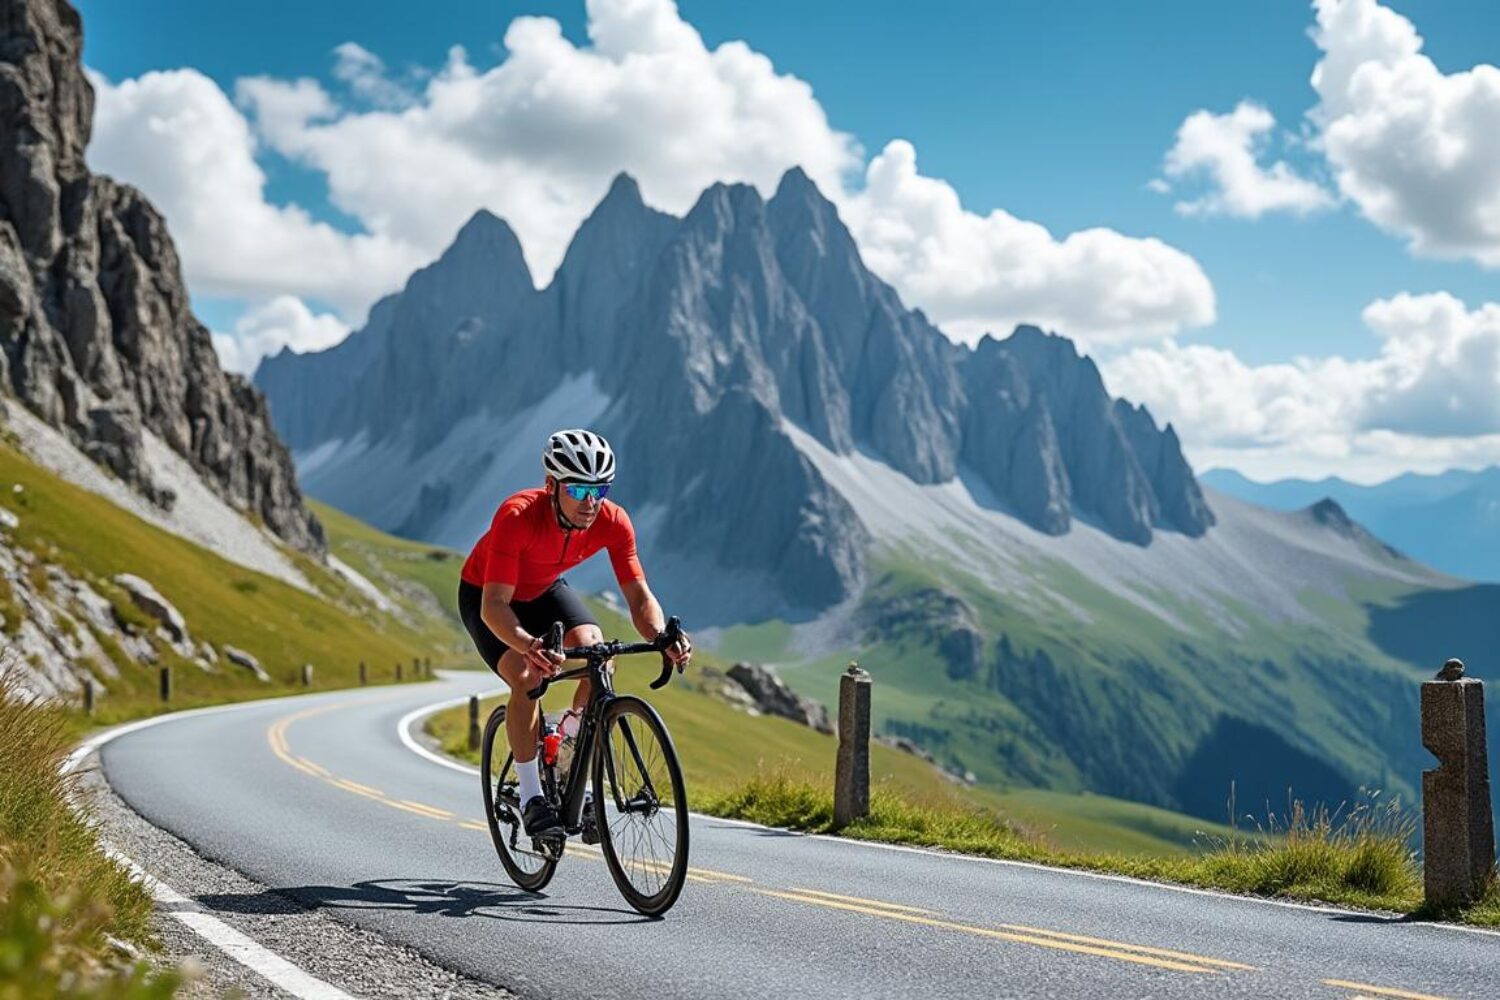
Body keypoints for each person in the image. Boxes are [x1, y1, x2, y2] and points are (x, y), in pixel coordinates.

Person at [458, 429, 691, 840]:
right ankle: (531, 797)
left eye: (599, 489)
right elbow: (494, 606)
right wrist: (530, 646)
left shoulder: (612, 520)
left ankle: (567, 746)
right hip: (490, 597)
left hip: (545, 588)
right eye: (579, 488)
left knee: (597, 653)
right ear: (552, 486)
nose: (590, 502)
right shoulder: (517, 516)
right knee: (527, 677)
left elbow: (639, 596)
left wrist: (660, 636)